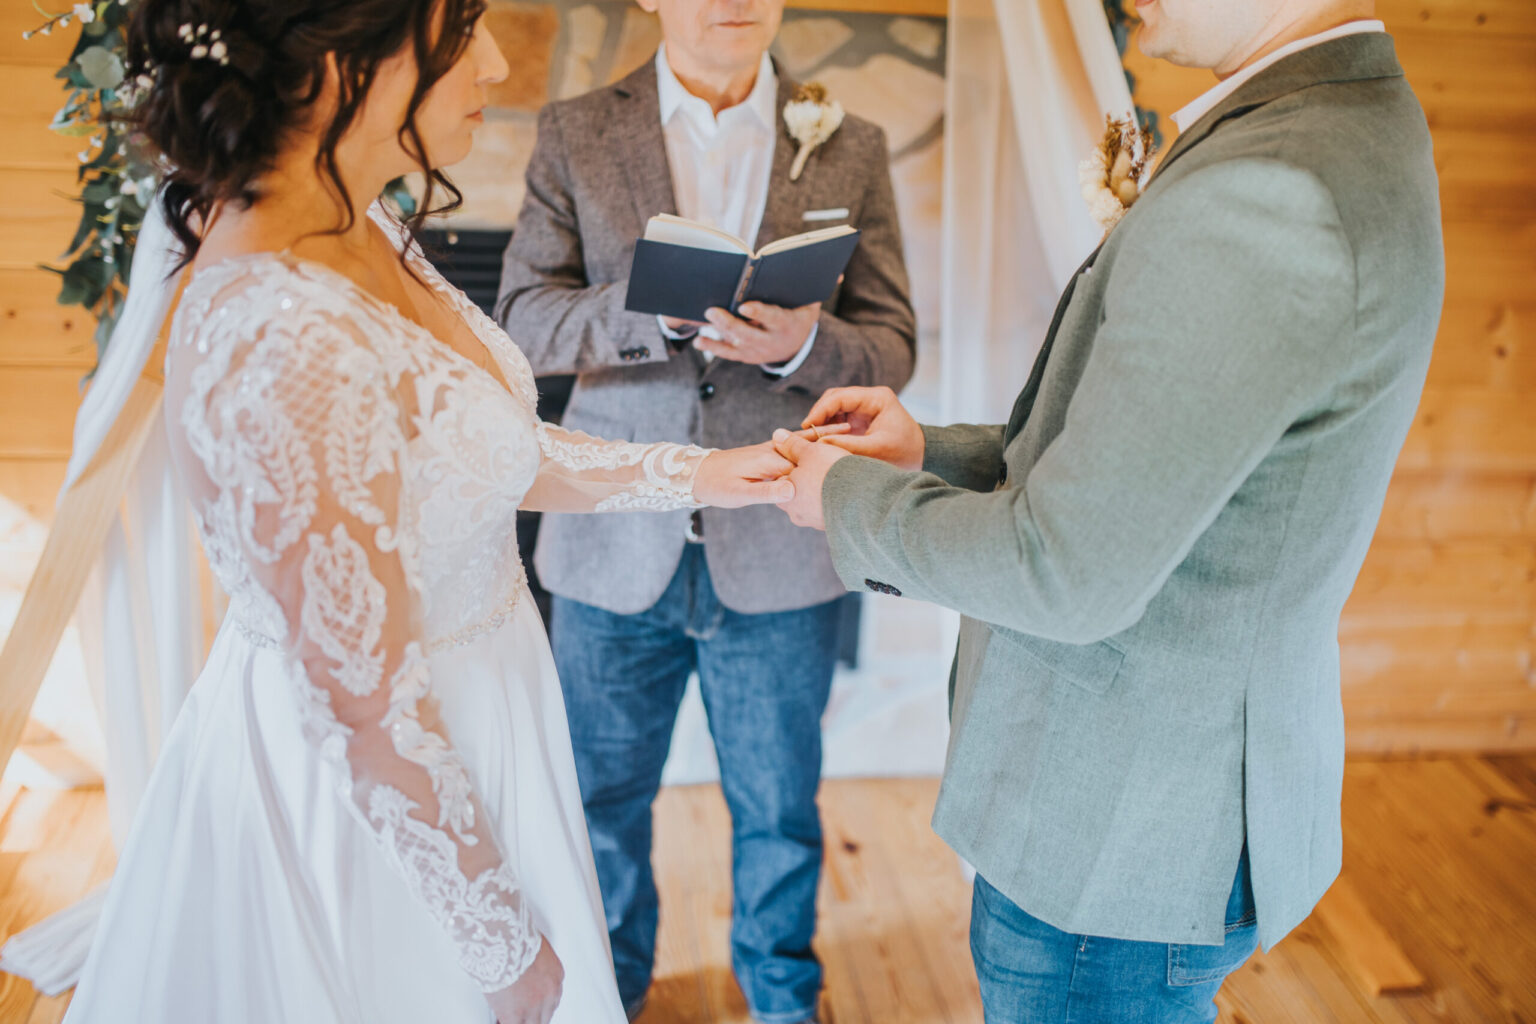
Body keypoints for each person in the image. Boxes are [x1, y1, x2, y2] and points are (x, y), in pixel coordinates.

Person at [63, 2, 814, 1022]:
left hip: (491, 713)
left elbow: (490, 451)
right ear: (340, 69)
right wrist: (500, 947)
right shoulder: (276, 333)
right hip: (388, 809)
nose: (498, 64)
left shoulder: (360, 218)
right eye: (460, 36)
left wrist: (706, 475)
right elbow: (363, 707)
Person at [769, 0, 1443, 1020]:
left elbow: (1066, 569)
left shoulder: (1271, 190)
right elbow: (1151, 470)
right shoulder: (1347, 123)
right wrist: (924, 452)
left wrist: (849, 501)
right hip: (1168, 806)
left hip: (1120, 839)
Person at [495, 0, 915, 1019]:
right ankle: (610, 989)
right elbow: (519, 322)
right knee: (600, 803)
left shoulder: (848, 141)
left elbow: (894, 342)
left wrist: (803, 349)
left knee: (779, 810)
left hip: (782, 536)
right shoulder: (576, 131)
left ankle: (782, 996)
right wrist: (648, 309)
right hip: (608, 545)